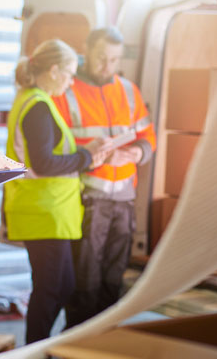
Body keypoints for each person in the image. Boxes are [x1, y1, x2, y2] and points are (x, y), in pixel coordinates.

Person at [2, 40, 111, 344]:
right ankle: (37, 348)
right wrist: (87, 157)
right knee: (51, 290)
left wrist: (85, 153)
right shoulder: (37, 105)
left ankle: (45, 347)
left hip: (49, 211)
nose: (71, 81)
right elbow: (46, 163)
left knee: (61, 287)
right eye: (69, 73)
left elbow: (47, 156)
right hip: (43, 212)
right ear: (53, 70)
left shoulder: (34, 99)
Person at [52, 27, 157, 328]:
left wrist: (137, 153)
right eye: (101, 58)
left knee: (114, 280)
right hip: (88, 200)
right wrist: (92, 154)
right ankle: (77, 343)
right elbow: (59, 147)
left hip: (124, 200)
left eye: (114, 60)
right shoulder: (66, 92)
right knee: (84, 283)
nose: (107, 67)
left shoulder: (128, 90)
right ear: (86, 49)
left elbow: (148, 135)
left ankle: (104, 343)